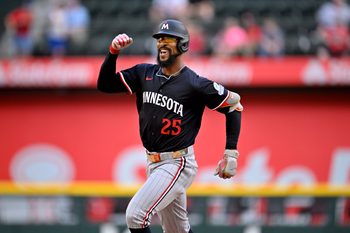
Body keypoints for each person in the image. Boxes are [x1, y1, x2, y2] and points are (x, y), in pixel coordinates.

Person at [97, 19, 243, 233]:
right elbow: (105, 85)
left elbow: (234, 105)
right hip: (153, 163)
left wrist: (231, 152)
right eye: (159, 39)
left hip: (178, 162)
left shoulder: (194, 83)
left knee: (135, 215)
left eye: (169, 40)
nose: (162, 44)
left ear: (183, 45)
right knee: (177, 231)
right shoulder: (143, 73)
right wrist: (113, 53)